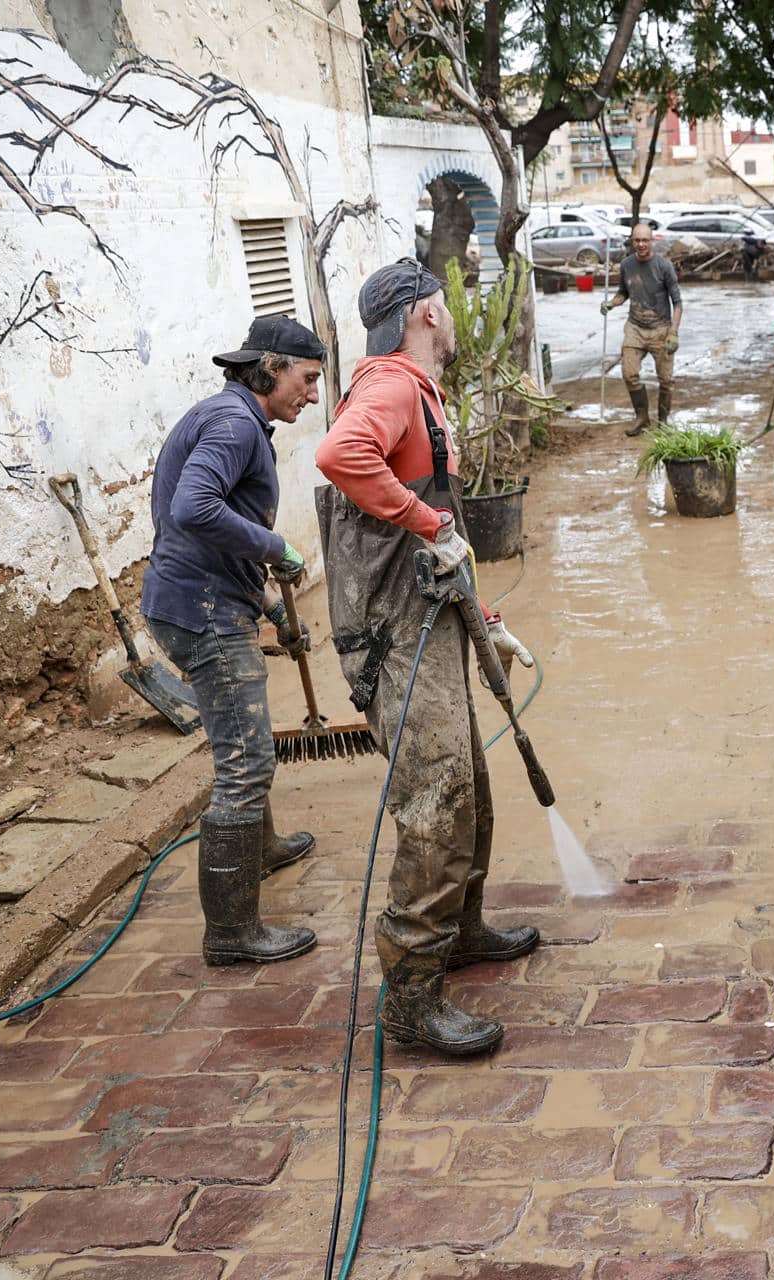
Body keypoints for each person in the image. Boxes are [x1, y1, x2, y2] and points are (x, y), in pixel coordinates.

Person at [313, 260, 541, 1058]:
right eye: (442, 304)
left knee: (467, 789)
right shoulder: (392, 385)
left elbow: (429, 528)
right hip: (396, 639)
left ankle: (462, 932)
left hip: (428, 620)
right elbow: (342, 455)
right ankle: (411, 1001)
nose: (449, 315)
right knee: (436, 805)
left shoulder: (411, 389)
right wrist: (425, 520)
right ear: (424, 315)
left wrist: (482, 610)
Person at [141, 316, 327, 968]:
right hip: (203, 615)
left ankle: (264, 848)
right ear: (270, 368)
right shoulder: (232, 424)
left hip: (205, 600)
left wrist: (269, 602)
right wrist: (276, 545)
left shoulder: (232, 417)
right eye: (307, 380)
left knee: (247, 739)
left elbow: (206, 530)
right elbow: (194, 508)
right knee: (247, 764)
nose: (312, 394)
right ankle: (231, 932)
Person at [599, 222, 682, 438]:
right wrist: (612, 303)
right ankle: (642, 417)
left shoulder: (663, 266)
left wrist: (673, 332)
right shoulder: (627, 264)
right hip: (635, 327)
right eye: (637, 240)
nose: (641, 244)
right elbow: (623, 292)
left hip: (661, 328)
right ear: (632, 241)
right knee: (629, 374)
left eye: (645, 240)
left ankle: (663, 422)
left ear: (652, 241)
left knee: (666, 380)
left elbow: (678, 303)